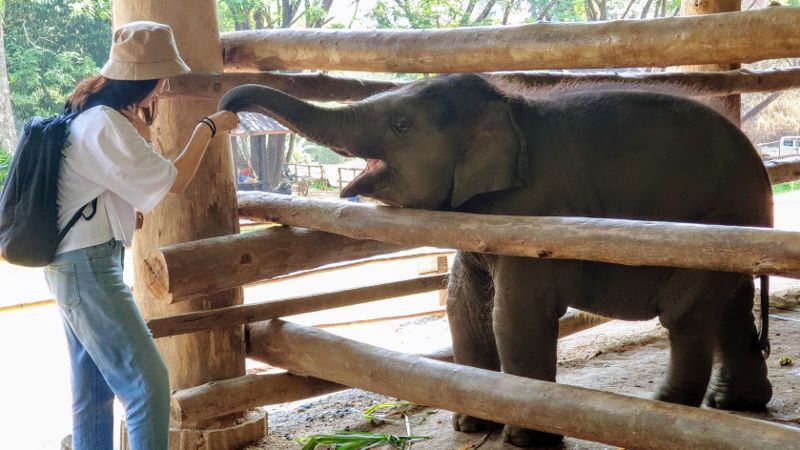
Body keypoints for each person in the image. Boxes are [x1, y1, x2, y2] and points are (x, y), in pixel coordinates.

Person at [43, 21, 239, 450]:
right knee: (148, 384)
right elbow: (175, 180)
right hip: (89, 267)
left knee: (93, 392)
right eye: (162, 78)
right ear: (148, 78)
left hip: (74, 263)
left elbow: (119, 188)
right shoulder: (106, 124)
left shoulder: (90, 114)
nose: (165, 87)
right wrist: (208, 127)